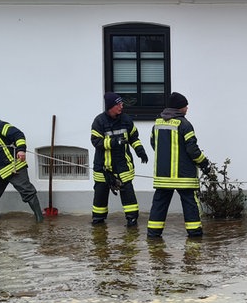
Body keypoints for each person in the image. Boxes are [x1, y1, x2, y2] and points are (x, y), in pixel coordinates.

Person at [147, 92, 213, 237]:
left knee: (159, 205)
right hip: (183, 175)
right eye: (185, 105)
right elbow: (192, 150)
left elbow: (154, 144)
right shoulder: (184, 124)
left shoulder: (157, 123)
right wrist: (204, 163)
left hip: (163, 175)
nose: (187, 108)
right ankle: (194, 235)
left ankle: (153, 234)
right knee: (190, 204)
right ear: (179, 108)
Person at [90, 92, 148, 227]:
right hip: (103, 165)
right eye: (118, 104)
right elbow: (96, 142)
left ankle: (132, 219)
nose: (122, 106)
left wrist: (140, 151)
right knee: (100, 193)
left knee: (128, 193)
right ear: (111, 106)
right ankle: (98, 220)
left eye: (121, 103)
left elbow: (133, 137)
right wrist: (114, 142)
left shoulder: (126, 119)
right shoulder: (99, 121)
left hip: (122, 164)